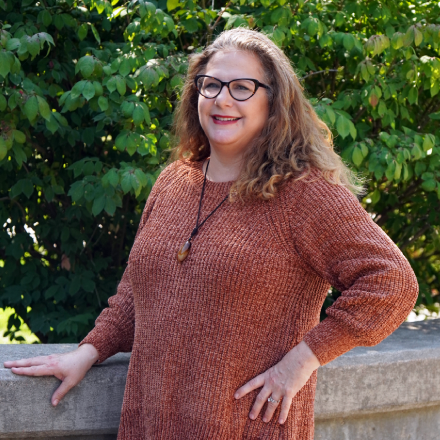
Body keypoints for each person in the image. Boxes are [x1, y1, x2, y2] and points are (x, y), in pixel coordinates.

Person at [4, 28, 419, 439]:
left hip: (245, 427)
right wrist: (88, 352)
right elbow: (136, 295)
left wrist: (303, 360)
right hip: (150, 426)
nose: (222, 99)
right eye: (211, 85)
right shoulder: (174, 182)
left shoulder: (305, 194)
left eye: (242, 87)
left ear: (274, 101)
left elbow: (392, 283)